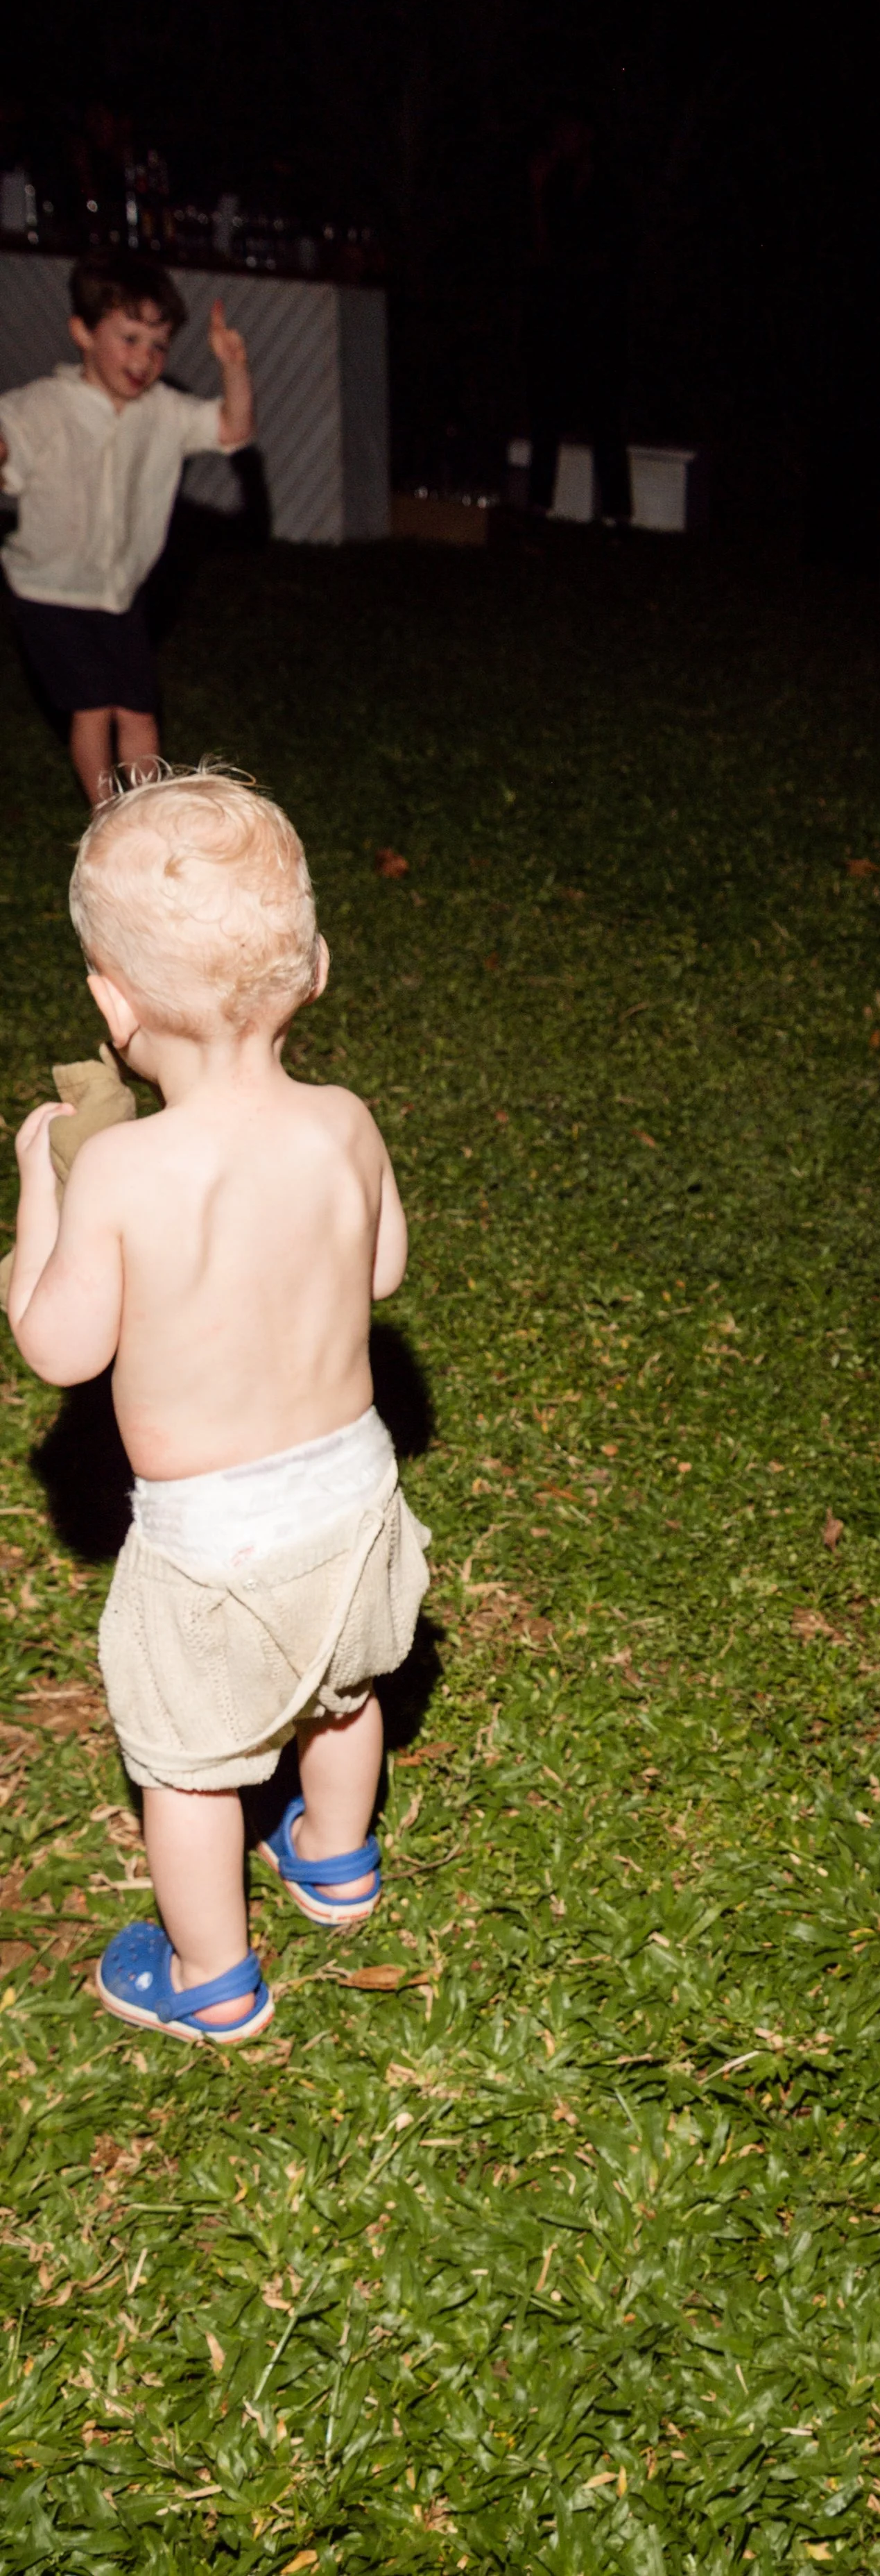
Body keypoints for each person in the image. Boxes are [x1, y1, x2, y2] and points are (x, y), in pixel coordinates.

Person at [6, 765, 429, 2044]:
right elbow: (383, 1269)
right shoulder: (344, 1123)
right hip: (354, 1505)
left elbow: (58, 1346)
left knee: (189, 1767)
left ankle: (211, 1977)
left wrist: (42, 1192)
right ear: (313, 973)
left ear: (111, 1001)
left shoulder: (122, 1170)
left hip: (213, 1549)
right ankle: (340, 1860)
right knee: (343, 1694)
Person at [0, 255, 253, 804]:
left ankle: (146, 817)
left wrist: (233, 368)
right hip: (51, 591)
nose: (144, 358)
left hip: (119, 592)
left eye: (158, 345)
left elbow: (233, 428)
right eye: (130, 338)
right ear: (83, 333)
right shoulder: (44, 406)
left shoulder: (162, 411)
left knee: (139, 710)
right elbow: (7, 439)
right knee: (92, 708)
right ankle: (107, 820)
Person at [525, 112, 633, 525]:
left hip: (600, 319)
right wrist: (536, 191)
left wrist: (571, 266)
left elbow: (613, 256)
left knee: (605, 416)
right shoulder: (555, 187)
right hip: (558, 316)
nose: (560, 139)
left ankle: (618, 513)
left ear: (587, 135)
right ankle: (538, 505)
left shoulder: (612, 188)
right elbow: (541, 250)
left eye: (568, 131)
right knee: (546, 412)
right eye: (557, 132)